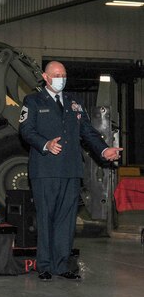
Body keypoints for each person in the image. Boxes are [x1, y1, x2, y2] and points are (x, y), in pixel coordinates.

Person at [19, 61, 122, 281]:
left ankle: (62, 264)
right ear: (45, 77)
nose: (61, 78)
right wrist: (45, 144)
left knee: (66, 221)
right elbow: (26, 130)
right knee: (46, 218)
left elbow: (88, 131)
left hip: (71, 170)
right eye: (56, 74)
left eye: (64, 75)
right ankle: (45, 265)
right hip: (45, 170)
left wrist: (104, 151)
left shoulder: (74, 102)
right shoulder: (33, 101)